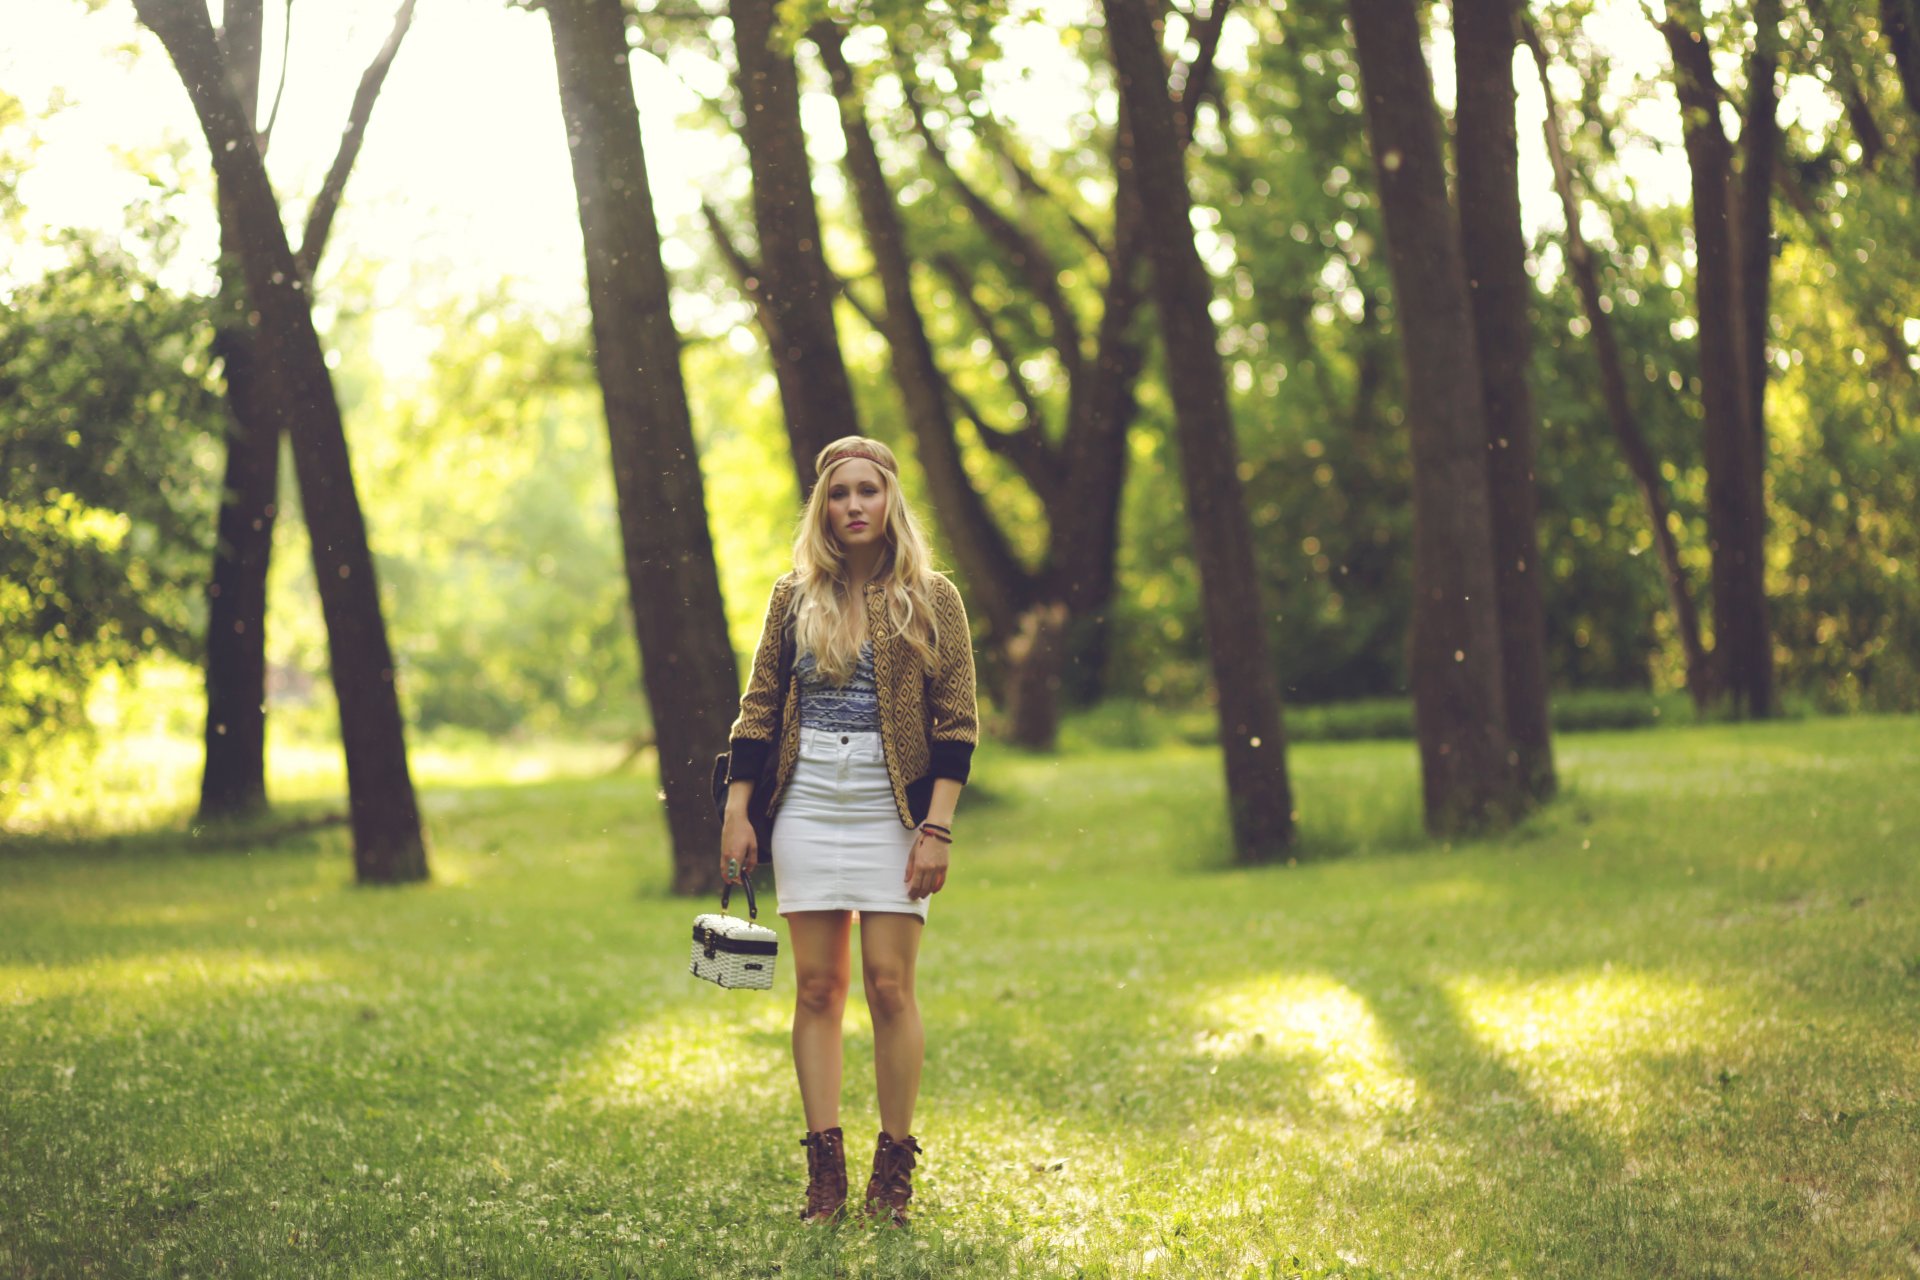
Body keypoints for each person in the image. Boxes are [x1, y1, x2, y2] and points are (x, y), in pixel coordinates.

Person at [719, 436, 979, 1228]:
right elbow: (759, 706)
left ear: (890, 500)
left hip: (892, 808)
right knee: (818, 988)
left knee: (890, 987)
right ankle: (824, 1173)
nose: (855, 504)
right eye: (840, 493)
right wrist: (738, 808)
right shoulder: (792, 595)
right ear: (823, 507)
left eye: (869, 490)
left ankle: (892, 1176)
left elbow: (957, 722)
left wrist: (937, 828)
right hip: (805, 803)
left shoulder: (934, 598)